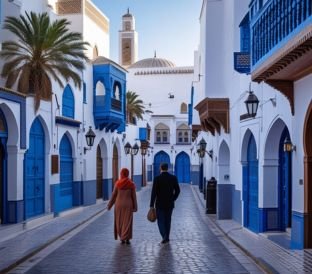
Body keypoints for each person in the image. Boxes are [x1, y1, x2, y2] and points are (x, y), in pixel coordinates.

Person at [150, 162, 180, 244]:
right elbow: (178, 190)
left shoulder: (157, 178)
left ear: (160, 168)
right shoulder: (173, 178)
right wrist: (173, 198)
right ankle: (167, 236)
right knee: (168, 220)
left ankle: (164, 236)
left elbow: (154, 193)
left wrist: (151, 205)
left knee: (161, 221)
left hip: (159, 203)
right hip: (170, 203)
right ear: (168, 168)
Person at [107, 168, 138, 245]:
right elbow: (134, 197)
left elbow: (114, 195)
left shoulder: (117, 184)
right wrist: (135, 207)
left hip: (119, 205)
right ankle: (126, 238)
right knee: (127, 222)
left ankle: (122, 238)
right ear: (127, 174)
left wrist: (109, 205)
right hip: (128, 204)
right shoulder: (131, 184)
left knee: (119, 220)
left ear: (121, 174)